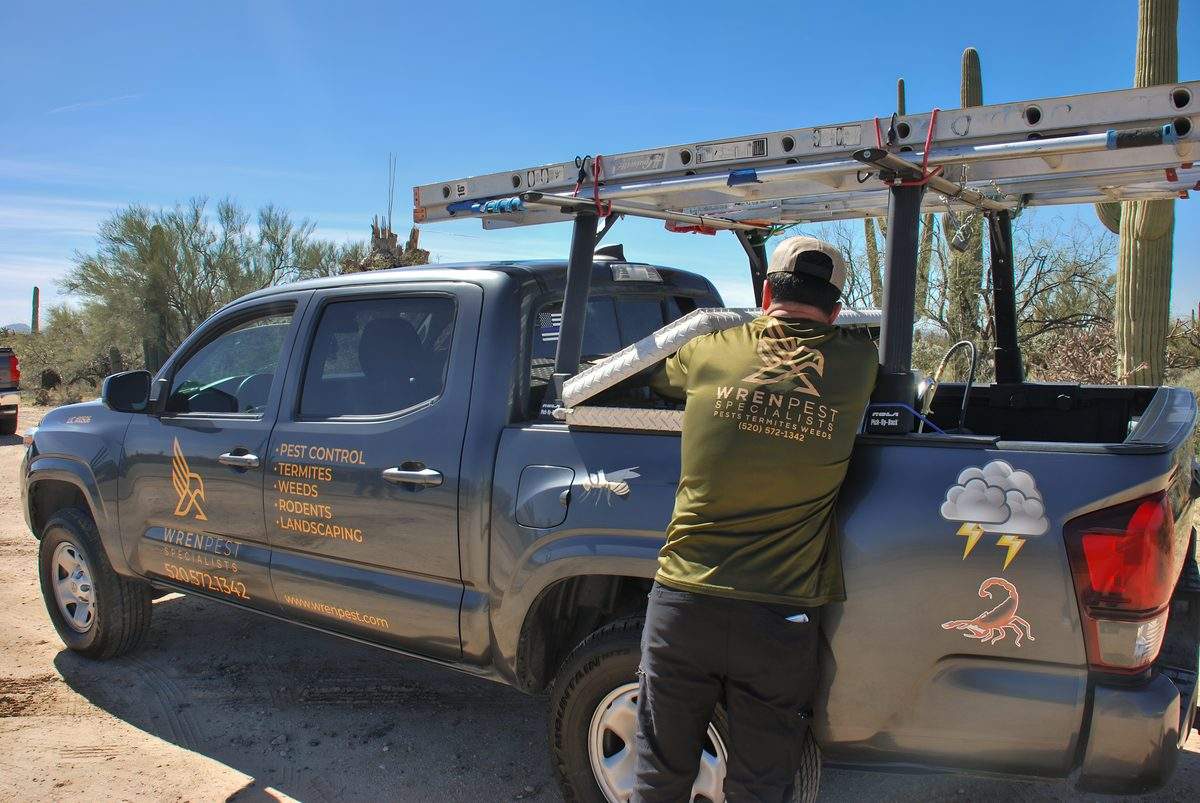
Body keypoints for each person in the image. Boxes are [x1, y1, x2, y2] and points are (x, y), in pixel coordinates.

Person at [633, 235, 878, 802]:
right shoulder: (858, 363)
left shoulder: (710, 351)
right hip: (781, 616)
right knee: (760, 787)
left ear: (766, 291)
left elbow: (656, 377)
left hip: (683, 605)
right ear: (836, 310)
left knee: (658, 776)